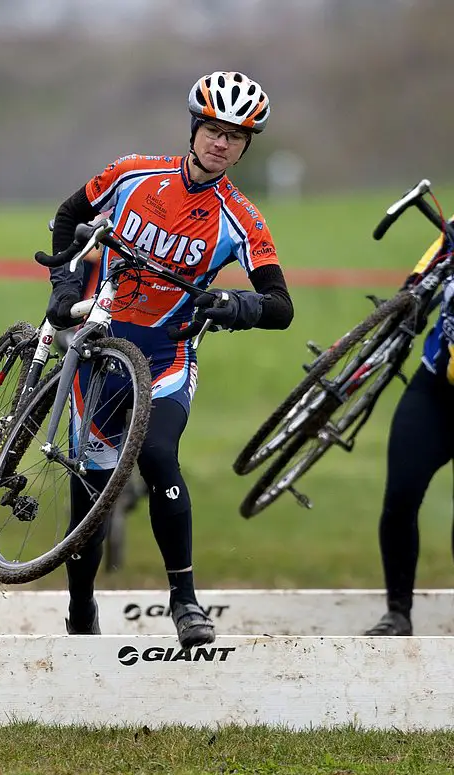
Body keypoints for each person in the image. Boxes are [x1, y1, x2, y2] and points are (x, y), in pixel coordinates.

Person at [45, 71, 294, 648]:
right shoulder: (132, 174)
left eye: (235, 136)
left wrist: (236, 304)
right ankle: (80, 606)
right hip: (101, 352)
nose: (221, 143)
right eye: (213, 129)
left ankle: (185, 602)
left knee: (159, 456)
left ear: (245, 146)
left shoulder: (243, 217)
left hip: (167, 354)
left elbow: (280, 306)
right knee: (92, 490)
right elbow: (65, 216)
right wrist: (63, 285)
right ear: (194, 128)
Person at [365, 223, 454, 636]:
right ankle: (398, 612)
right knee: (400, 496)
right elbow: (419, 278)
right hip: (436, 387)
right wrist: (412, 296)